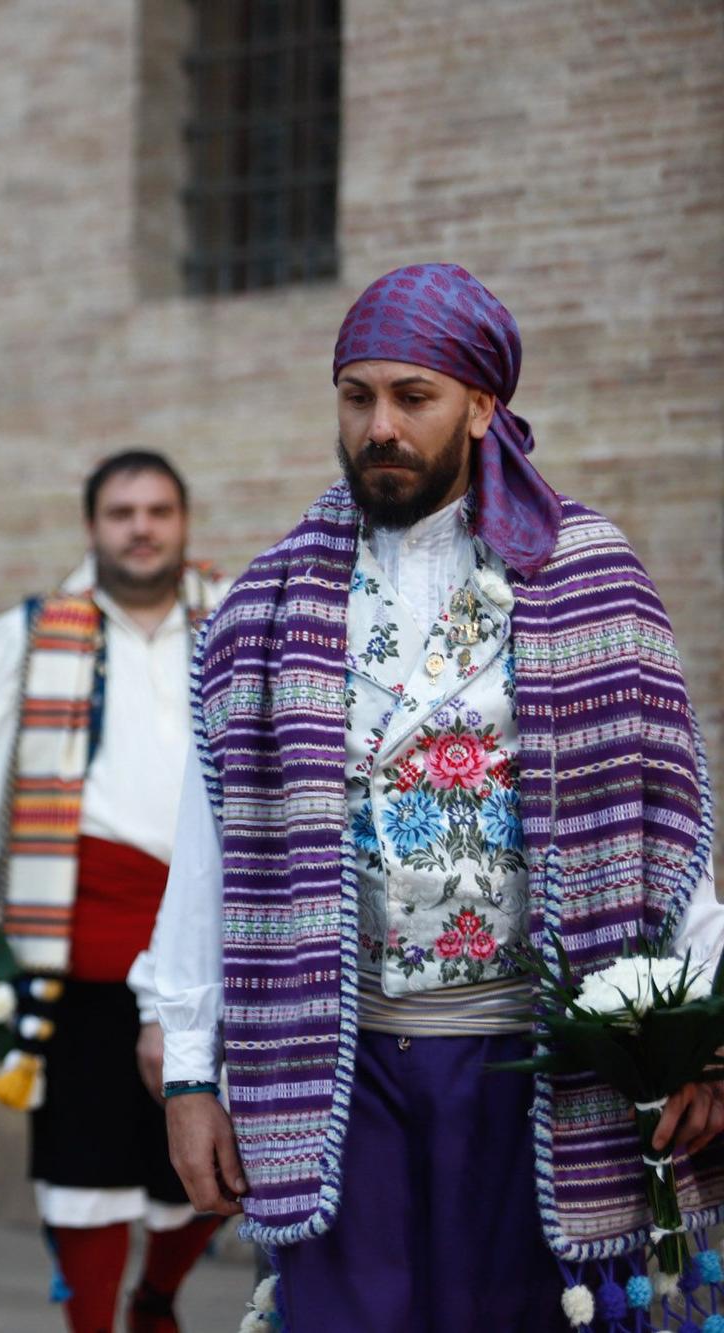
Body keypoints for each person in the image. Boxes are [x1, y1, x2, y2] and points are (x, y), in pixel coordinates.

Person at [154, 264, 724, 1332]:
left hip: (540, 1076)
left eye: (410, 397)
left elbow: (663, 826)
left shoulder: (592, 578)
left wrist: (701, 1039)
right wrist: (190, 1074)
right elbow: (211, 855)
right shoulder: (265, 606)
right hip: (335, 1068)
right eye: (355, 396)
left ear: (480, 405)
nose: (378, 426)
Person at [0, 452, 226, 1333]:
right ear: (91, 525)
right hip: (80, 940)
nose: (141, 526)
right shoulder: (24, 633)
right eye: (121, 511)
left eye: (158, 510)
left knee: (215, 1157)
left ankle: (159, 1298)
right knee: (86, 1163)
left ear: (183, 521)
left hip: (213, 932)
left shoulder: (241, 617)